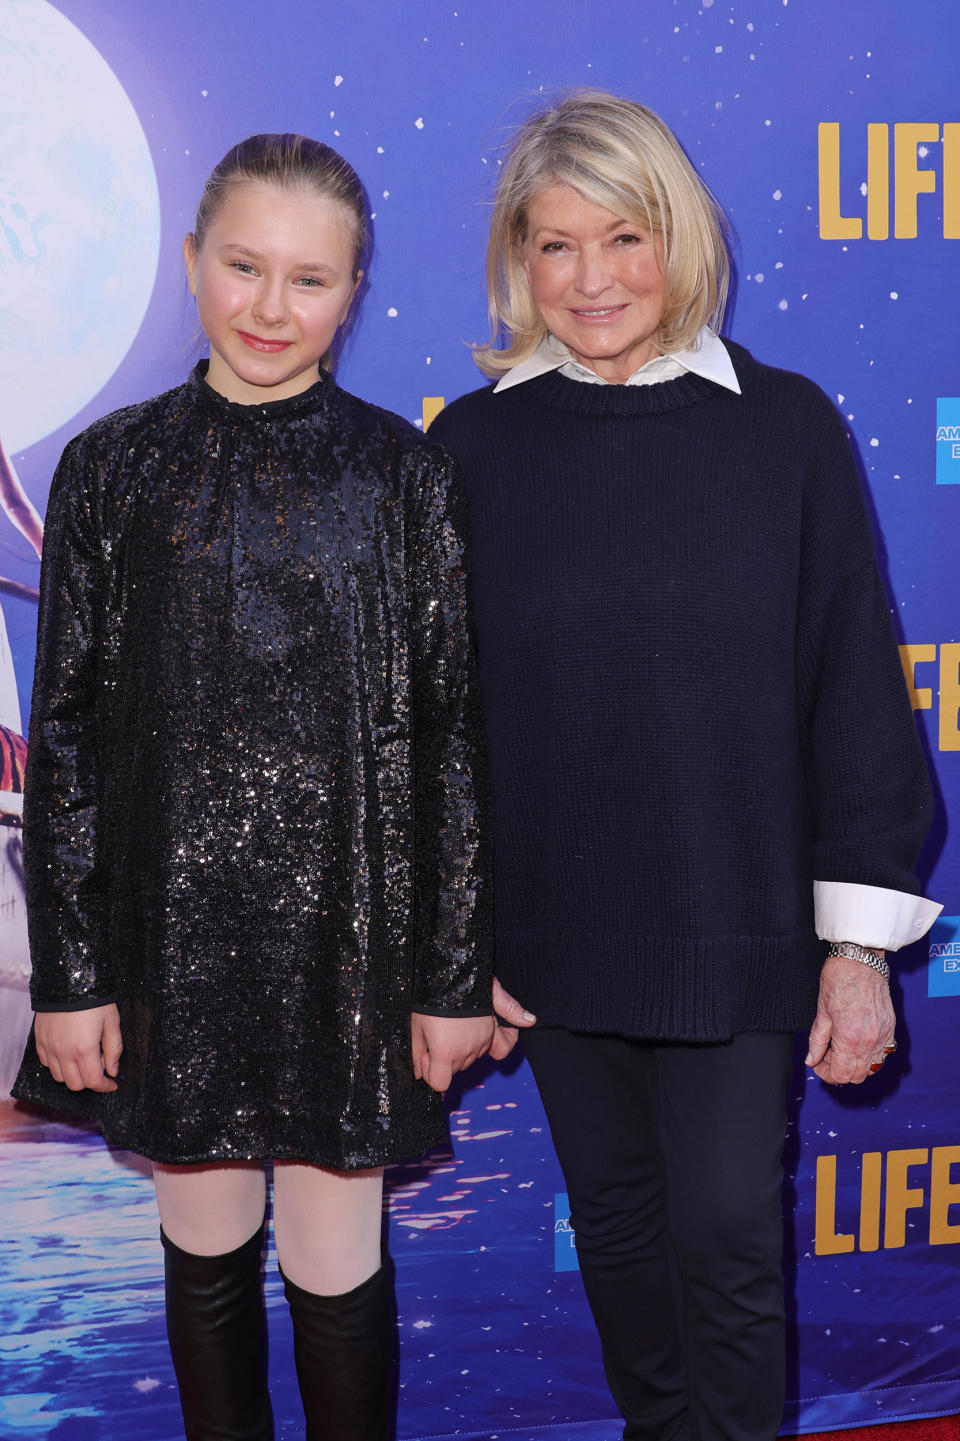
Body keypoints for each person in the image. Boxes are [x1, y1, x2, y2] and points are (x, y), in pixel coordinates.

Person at [428, 91, 941, 1441]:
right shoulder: (472, 449)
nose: (590, 279)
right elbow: (435, 725)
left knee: (726, 1234)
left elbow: (852, 695)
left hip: (739, 926)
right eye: (554, 245)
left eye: (623, 237)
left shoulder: (786, 431)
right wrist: (454, 936)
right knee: (618, 1233)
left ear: (682, 240)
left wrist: (858, 950)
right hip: (554, 935)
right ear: (515, 258)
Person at [12, 132, 499, 1441]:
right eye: (243, 266)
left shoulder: (405, 475)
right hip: (169, 947)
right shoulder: (111, 471)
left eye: (310, 277)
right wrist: (71, 971)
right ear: (190, 265)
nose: (271, 307)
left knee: (339, 1261)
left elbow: (452, 739)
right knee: (207, 1249)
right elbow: (62, 737)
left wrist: (453, 978)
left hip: (353, 950)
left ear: (354, 291)